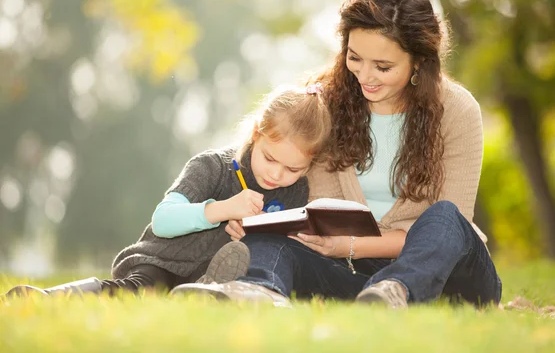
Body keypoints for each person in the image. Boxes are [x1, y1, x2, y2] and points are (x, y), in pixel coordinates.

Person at [171, 0, 502, 309]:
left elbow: (452, 232)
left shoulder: (457, 111)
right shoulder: (322, 103)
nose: (365, 76)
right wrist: (250, 217)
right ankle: (260, 291)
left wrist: (350, 245)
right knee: (270, 241)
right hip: (352, 275)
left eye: (383, 66)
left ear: (419, 61)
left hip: (449, 278)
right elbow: (272, 161)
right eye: (355, 58)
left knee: (445, 217)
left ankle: (397, 290)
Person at [2, 84, 332, 298]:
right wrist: (222, 210)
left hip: (214, 278)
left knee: (230, 285)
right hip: (162, 262)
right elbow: (163, 221)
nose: (277, 174)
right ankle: (49, 298)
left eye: (293, 169)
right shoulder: (213, 166)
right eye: (270, 158)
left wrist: (254, 236)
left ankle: (202, 290)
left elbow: (277, 246)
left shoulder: (295, 192)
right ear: (256, 134)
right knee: (139, 290)